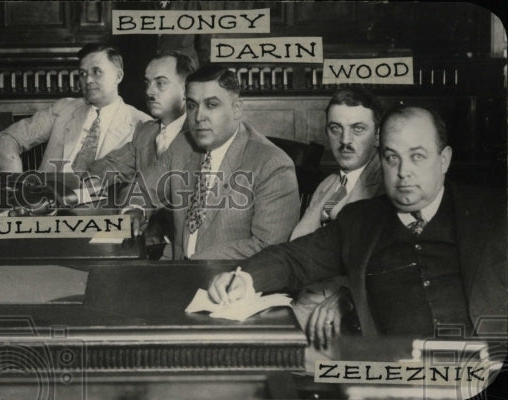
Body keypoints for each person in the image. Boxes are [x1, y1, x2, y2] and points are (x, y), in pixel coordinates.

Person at [209, 106, 507, 341]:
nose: (403, 172)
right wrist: (244, 278)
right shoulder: (360, 220)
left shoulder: (493, 212)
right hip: (392, 376)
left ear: (444, 159)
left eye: (417, 157)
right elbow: (293, 258)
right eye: (392, 158)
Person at [125, 65, 299, 260]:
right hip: (174, 269)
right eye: (192, 106)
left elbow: (269, 247)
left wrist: (196, 263)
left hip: (230, 282)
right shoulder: (183, 144)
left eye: (211, 105)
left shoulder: (273, 165)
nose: (199, 117)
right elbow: (143, 188)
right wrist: (136, 210)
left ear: (236, 109)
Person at [289, 88, 386, 349]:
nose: (345, 140)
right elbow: (299, 247)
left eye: (357, 129)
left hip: (349, 318)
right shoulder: (329, 183)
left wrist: (348, 297)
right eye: (335, 128)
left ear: (377, 136)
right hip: (304, 299)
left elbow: (394, 266)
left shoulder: (389, 186)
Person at [76, 51, 195, 259]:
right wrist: (93, 184)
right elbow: (110, 165)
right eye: (147, 83)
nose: (149, 92)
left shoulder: (200, 134)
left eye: (160, 83)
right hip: (144, 244)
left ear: (187, 89)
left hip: (185, 250)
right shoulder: (146, 132)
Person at [0, 43, 151, 173]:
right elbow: (7, 138)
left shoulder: (143, 125)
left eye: (96, 72)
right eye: (82, 74)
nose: (88, 80)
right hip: (48, 204)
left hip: (101, 208)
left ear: (118, 76)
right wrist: (13, 183)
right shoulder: (64, 108)